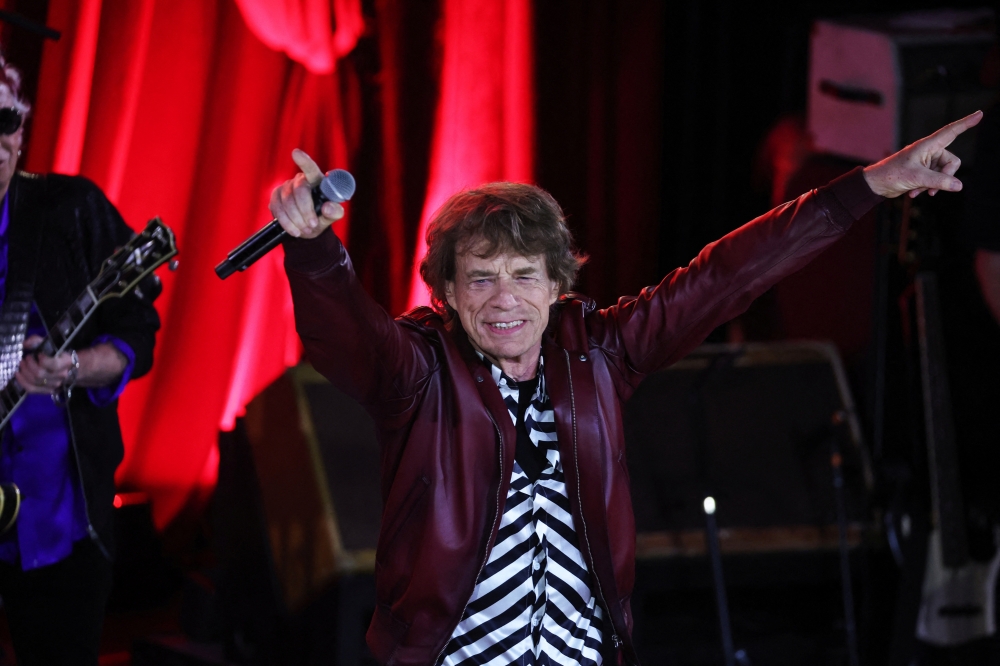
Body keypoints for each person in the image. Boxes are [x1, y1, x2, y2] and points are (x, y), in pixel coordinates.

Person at [271, 110, 981, 665]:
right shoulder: (419, 370)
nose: (503, 299)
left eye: (524, 275)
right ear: (449, 294)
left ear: (557, 285)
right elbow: (348, 335)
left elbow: (726, 276)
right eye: (481, 278)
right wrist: (312, 250)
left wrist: (868, 187)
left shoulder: (600, 352)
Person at [0, 55, 161, 665]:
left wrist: (73, 367)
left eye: (6, 121)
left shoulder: (69, 209)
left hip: (57, 517)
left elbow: (137, 330)